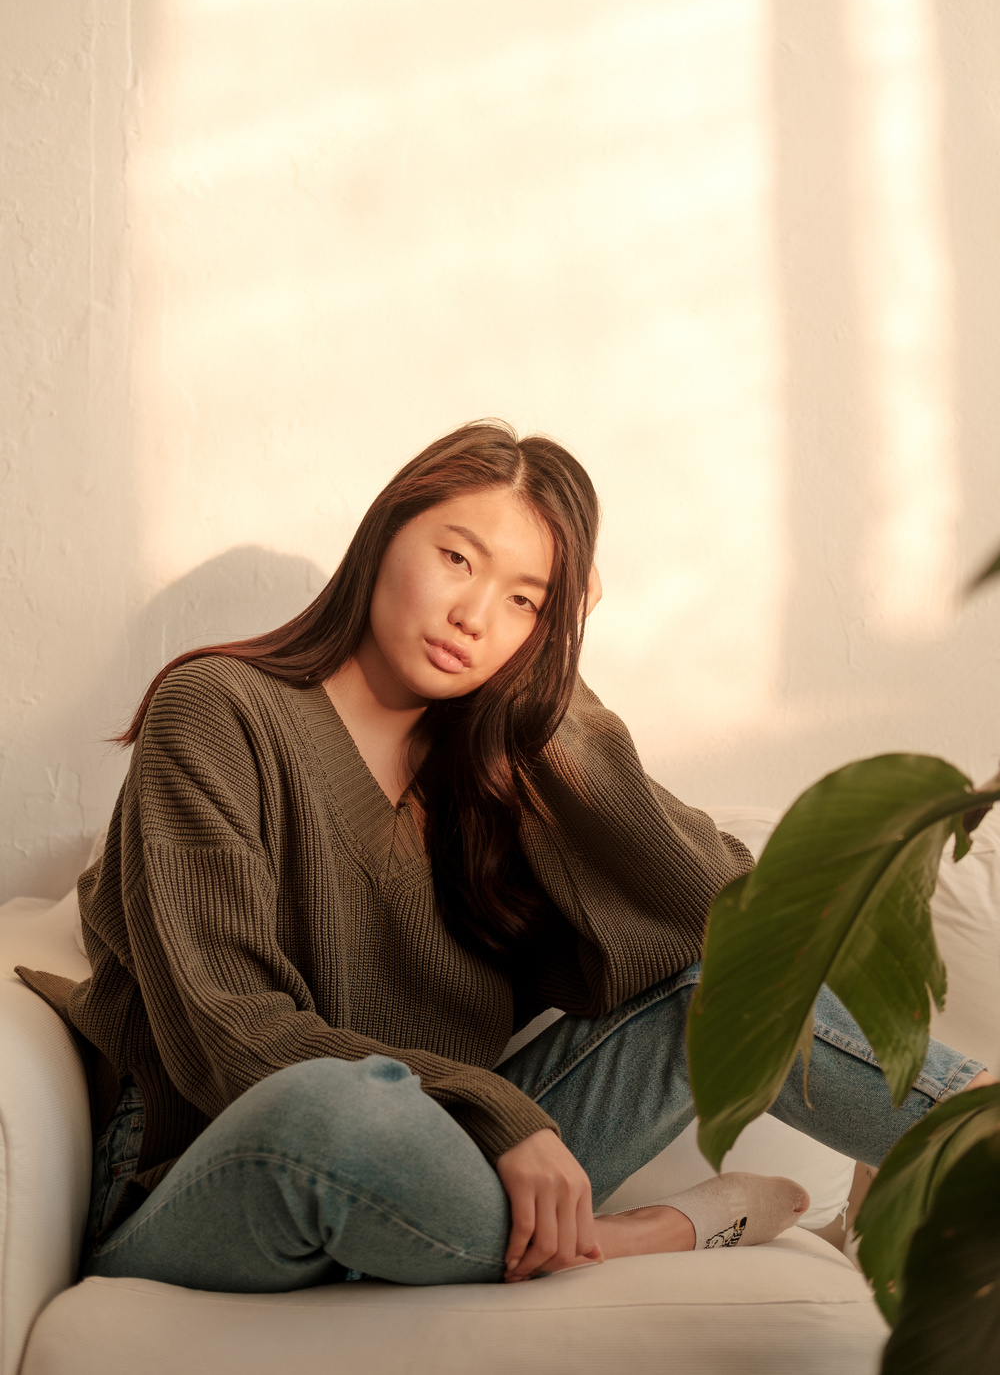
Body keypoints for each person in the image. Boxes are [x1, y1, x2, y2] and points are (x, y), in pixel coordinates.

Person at [18, 421, 994, 1293]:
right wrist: (500, 1114)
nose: (473, 615)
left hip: (453, 1161)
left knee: (722, 980)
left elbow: (724, 913)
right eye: (456, 557)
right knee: (339, 1109)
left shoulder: (495, 767)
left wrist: (549, 691)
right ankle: (662, 1231)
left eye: (525, 602)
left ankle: (966, 1131)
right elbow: (234, 1039)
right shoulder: (222, 710)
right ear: (384, 535)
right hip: (231, 1165)